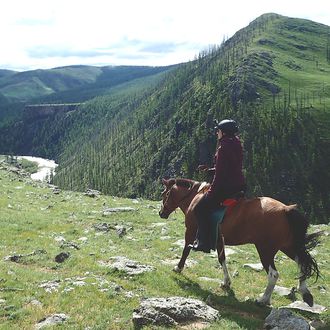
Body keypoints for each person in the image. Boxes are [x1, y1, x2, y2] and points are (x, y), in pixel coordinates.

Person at [191, 119, 246, 253]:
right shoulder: (237, 144)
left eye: (218, 130)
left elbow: (220, 176)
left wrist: (212, 193)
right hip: (239, 185)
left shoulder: (223, 148)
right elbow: (230, 167)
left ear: (224, 132)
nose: (217, 133)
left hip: (225, 188)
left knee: (199, 208)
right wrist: (210, 170)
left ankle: (204, 242)